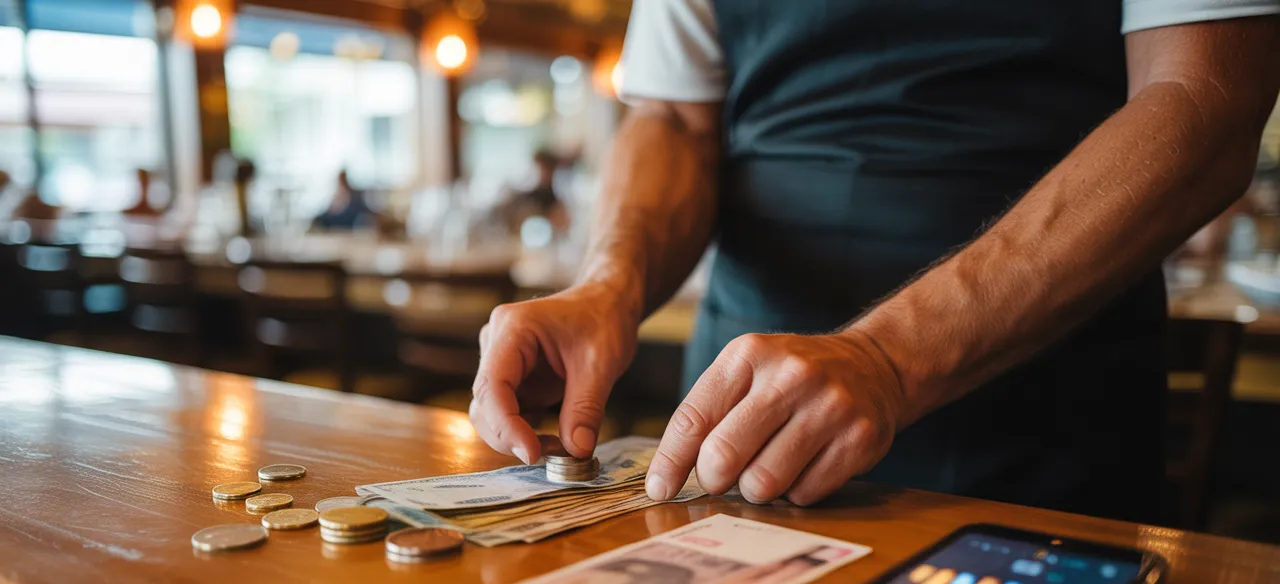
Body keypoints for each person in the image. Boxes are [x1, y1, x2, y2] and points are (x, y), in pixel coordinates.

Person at [469, 1, 1280, 524]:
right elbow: (675, 121)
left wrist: (887, 359)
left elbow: (1204, 97)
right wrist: (609, 282)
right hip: (734, 433)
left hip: (1042, 423)